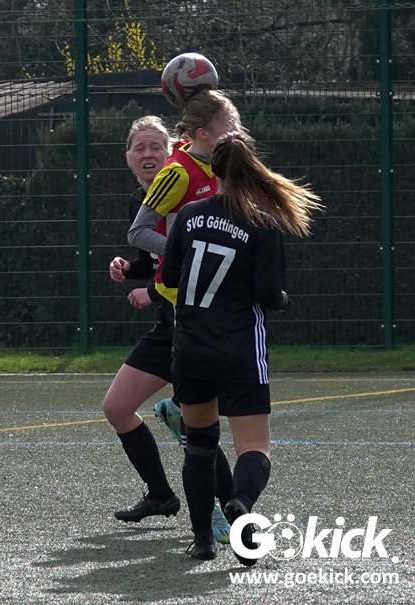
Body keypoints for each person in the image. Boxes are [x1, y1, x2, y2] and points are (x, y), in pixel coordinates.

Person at [161, 132, 321, 562]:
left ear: (212, 169)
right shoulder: (263, 224)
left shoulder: (189, 215)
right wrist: (283, 299)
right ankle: (241, 503)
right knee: (254, 448)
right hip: (239, 350)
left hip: (190, 348)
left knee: (199, 446)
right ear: (252, 168)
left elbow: (171, 277)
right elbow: (270, 295)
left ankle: (202, 540)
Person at [106, 97, 240, 542]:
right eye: (138, 148)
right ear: (128, 158)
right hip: (171, 319)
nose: (147, 154)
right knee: (117, 407)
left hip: (199, 320)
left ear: (171, 152)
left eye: (155, 147)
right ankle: (161, 495)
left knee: (193, 421)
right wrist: (132, 269)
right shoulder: (140, 203)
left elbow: (189, 253)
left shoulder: (191, 175)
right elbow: (156, 259)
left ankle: (227, 511)